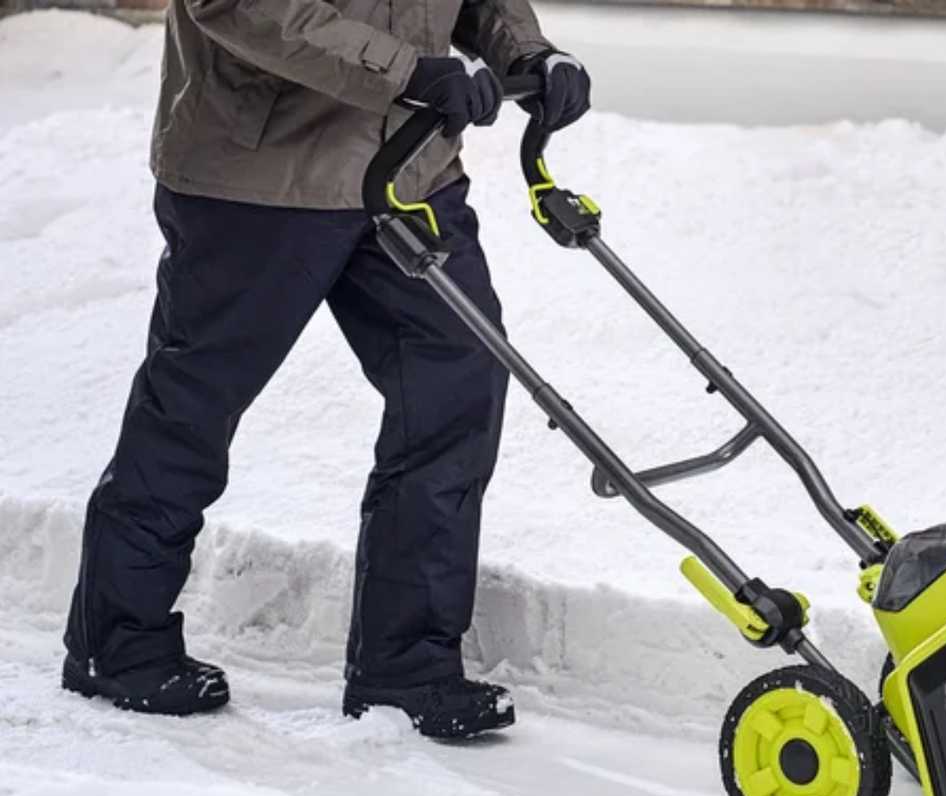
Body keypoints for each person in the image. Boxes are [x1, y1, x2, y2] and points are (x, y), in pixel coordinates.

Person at [59, 0, 590, 739]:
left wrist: (526, 52)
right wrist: (407, 72)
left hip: (407, 166)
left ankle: (405, 666)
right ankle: (114, 641)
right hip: (259, 175)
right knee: (195, 401)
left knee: (458, 378)